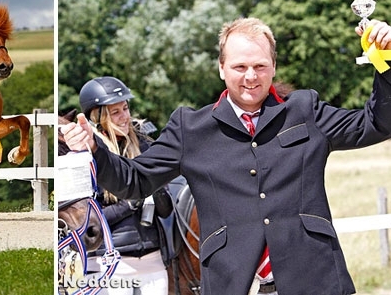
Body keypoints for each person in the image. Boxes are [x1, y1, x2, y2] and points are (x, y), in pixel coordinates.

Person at [62, 17, 391, 295]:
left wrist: (385, 63)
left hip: (316, 281)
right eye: (240, 66)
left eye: (260, 66)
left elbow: (377, 122)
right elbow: (134, 181)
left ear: (273, 66)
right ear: (221, 68)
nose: (251, 76)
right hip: (231, 284)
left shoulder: (305, 110)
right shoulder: (189, 127)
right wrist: (95, 150)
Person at [78, 76, 173, 295]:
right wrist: (131, 203)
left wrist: (155, 187)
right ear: (97, 116)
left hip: (153, 260)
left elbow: (166, 210)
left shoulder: (145, 144)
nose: (125, 117)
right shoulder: (87, 157)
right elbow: (88, 220)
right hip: (109, 263)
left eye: (126, 108)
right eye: (115, 112)